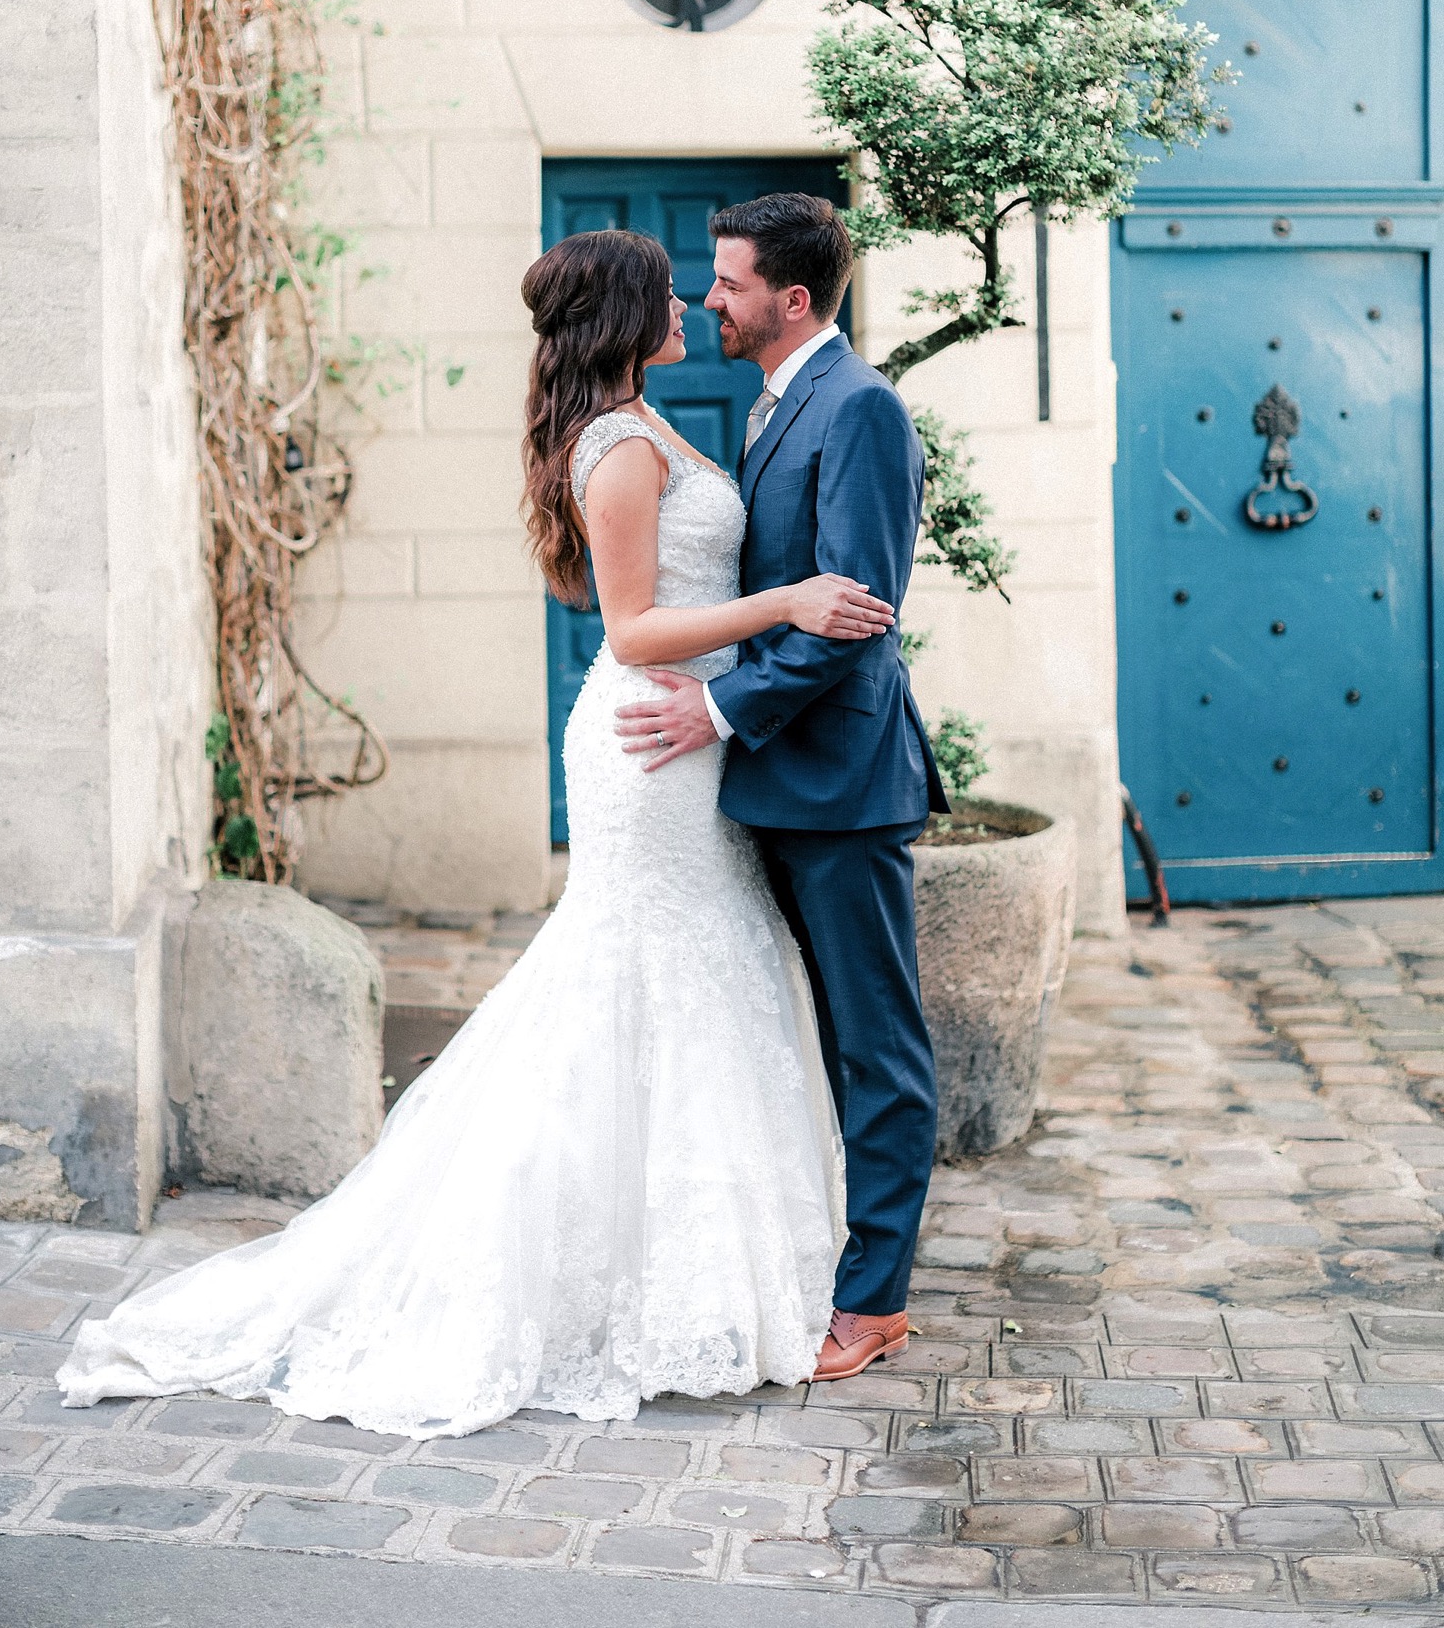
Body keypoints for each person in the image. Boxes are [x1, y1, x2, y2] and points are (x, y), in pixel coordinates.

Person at [55, 225, 899, 1437]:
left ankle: (691, 1264)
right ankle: (583, 1269)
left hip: (691, 739)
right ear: (621, 317)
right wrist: (791, 600)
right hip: (652, 739)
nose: (689, 303)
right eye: (668, 291)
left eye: (702, 284)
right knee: (640, 974)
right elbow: (631, 630)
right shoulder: (615, 448)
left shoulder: (646, 425)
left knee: (701, 974)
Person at [615, 193, 945, 1382]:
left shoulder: (858, 411)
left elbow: (853, 615)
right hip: (776, 780)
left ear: (790, 300)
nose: (710, 297)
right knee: (795, 1034)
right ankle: (816, 1254)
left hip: (844, 783)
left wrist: (714, 707)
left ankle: (876, 1299)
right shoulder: (776, 404)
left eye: (729, 281)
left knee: (877, 1046)